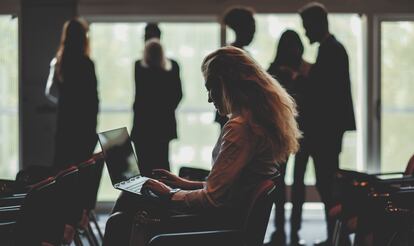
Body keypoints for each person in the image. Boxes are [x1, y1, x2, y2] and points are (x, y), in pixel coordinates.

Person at [102, 46, 301, 246]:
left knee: (125, 210)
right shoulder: (255, 122)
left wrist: (169, 194)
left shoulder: (240, 128)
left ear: (225, 85)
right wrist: (182, 184)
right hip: (225, 219)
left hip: (216, 223)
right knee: (133, 198)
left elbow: (211, 200)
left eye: (210, 88)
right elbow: (230, 188)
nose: (208, 98)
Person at [299, 2, 356, 245]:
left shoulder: (330, 50)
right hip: (329, 132)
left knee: (327, 186)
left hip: (325, 134)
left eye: (306, 27)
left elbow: (322, 94)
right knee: (327, 185)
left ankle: (337, 238)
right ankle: (335, 236)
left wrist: (302, 76)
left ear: (317, 24)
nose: (305, 32)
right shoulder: (333, 49)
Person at [45, 18, 99, 243]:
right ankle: (76, 222)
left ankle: (61, 227)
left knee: (63, 178)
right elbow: (94, 101)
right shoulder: (86, 64)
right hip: (84, 129)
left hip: (65, 128)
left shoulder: (59, 62)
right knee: (81, 178)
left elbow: (50, 93)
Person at [265, 30, 311, 246]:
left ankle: (283, 229)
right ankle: (291, 230)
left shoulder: (273, 71)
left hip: (285, 133)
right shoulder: (305, 70)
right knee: (293, 181)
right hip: (298, 132)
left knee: (281, 182)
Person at [131, 23, 183, 177]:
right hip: (163, 126)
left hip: (143, 126)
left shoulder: (139, 67)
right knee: (162, 167)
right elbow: (178, 95)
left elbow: (141, 98)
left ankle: (145, 200)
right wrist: (165, 110)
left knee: (144, 168)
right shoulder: (172, 66)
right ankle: (164, 200)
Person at [214, 6, 256, 128]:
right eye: (251, 29)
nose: (253, 34)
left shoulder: (234, 54)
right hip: (234, 112)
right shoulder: (231, 55)